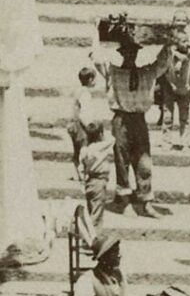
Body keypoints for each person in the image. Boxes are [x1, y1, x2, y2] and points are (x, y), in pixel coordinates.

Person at [91, 37, 173, 218]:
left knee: (144, 161)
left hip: (139, 120)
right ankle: (124, 201)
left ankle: (146, 202)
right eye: (126, 53)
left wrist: (169, 42)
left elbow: (163, 62)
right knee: (122, 159)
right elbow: (97, 58)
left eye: (133, 53)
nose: (130, 56)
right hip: (121, 119)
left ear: (137, 54)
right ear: (121, 54)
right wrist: (96, 34)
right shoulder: (114, 72)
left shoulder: (147, 73)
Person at [160, 29, 190, 147]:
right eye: (183, 41)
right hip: (170, 87)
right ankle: (166, 141)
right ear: (176, 43)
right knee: (168, 116)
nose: (186, 43)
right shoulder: (170, 53)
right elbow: (164, 69)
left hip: (185, 88)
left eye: (187, 40)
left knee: (185, 117)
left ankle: (185, 140)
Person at [79, 121, 115, 228]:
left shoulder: (84, 150)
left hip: (89, 182)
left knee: (91, 210)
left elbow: (80, 167)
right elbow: (113, 139)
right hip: (100, 182)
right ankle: (93, 238)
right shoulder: (102, 147)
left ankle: (89, 234)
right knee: (97, 214)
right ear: (100, 134)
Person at [68, 66, 97, 180]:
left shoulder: (78, 91)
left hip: (72, 124)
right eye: (94, 79)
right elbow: (84, 112)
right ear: (90, 80)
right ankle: (83, 172)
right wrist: (89, 125)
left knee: (76, 149)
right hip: (80, 125)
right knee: (84, 148)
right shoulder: (85, 94)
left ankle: (76, 172)